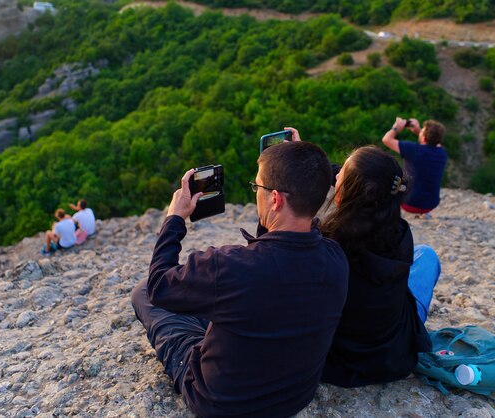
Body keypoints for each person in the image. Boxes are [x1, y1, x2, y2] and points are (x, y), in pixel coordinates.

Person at [131, 142, 349, 417]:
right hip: (295, 396)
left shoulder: (229, 267)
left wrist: (175, 218)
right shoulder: (336, 258)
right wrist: (303, 170)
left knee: (142, 292)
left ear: (276, 200)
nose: (256, 192)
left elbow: (159, 286)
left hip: (221, 401)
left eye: (258, 188)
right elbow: (280, 259)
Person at [319, 145, 440, 387]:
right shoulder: (400, 234)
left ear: (353, 190)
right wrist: (319, 164)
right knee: (426, 256)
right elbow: (361, 182)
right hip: (393, 356)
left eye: (342, 173)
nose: (337, 174)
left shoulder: (330, 242)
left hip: (344, 363)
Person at [381, 117, 447, 215]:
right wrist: (419, 131)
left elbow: (386, 139)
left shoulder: (412, 149)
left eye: (422, 132)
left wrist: (396, 128)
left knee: (388, 174)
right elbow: (435, 142)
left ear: (423, 137)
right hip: (430, 205)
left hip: (408, 204)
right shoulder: (442, 153)